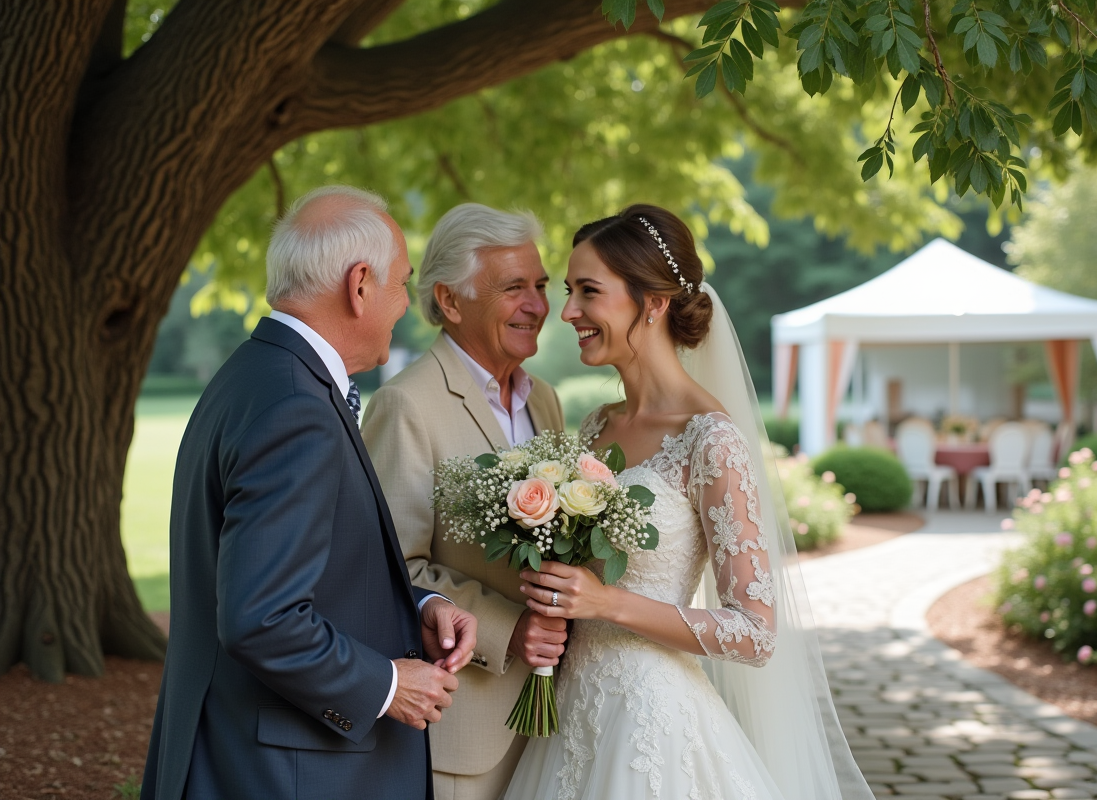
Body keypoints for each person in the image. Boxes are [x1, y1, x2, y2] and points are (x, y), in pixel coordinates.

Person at [503, 205, 875, 799]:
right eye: (569, 291)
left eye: (588, 292)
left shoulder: (711, 439)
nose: (568, 311)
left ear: (652, 303)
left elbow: (755, 632)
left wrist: (606, 602)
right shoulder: (596, 426)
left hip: (653, 725)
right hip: (569, 713)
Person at [141, 186, 477, 800]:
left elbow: (300, 570)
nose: (405, 304)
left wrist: (420, 606)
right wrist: (385, 685)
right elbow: (262, 619)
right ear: (359, 285)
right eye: (402, 284)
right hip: (288, 773)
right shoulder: (295, 406)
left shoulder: (254, 375)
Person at [361, 203, 567, 800]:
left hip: (555, 724)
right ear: (450, 302)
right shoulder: (406, 405)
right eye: (513, 288)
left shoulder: (545, 402)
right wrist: (511, 628)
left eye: (540, 285)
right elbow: (390, 568)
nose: (537, 305)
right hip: (462, 737)